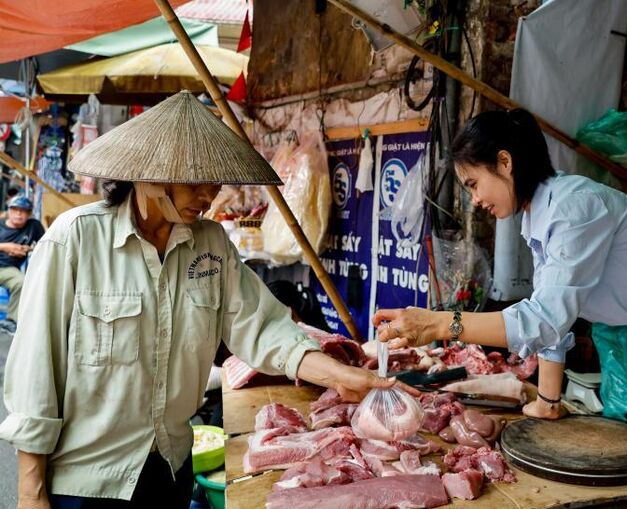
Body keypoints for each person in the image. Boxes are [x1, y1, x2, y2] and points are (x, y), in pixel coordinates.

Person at [0, 92, 406, 509]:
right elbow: (35, 371)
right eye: (196, 182)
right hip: (87, 484)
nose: (208, 196)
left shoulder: (210, 245)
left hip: (168, 472)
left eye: (214, 183)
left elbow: (264, 329)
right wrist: (31, 493)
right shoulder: (74, 239)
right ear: (150, 176)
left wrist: (338, 375)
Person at [374, 109, 627, 508]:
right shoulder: (538, 216)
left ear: (505, 162)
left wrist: (439, 324)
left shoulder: (574, 206)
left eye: (474, 184)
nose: (475, 200)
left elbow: (542, 320)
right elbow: (554, 315)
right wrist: (548, 401)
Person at [0, 195, 45, 333]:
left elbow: (45, 244)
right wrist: (5, 247)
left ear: (29, 213)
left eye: (23, 210)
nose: (19, 213)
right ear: (9, 211)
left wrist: (27, 249)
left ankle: (10, 321)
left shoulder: (34, 226)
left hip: (7, 269)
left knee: (21, 282)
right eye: (15, 209)